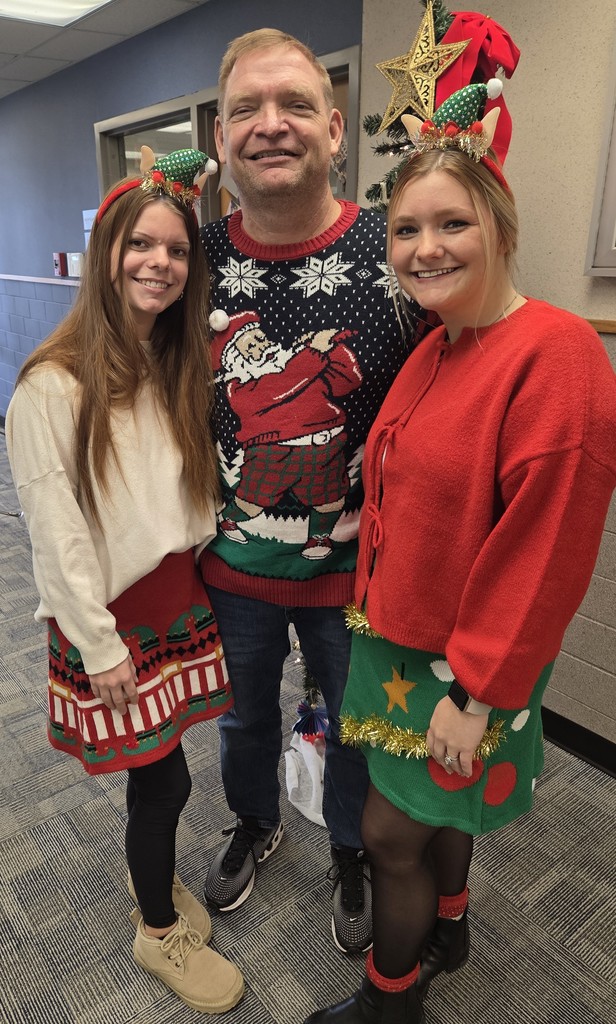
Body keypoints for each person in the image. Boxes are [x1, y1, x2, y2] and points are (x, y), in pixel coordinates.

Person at [304, 89, 616, 1021]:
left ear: (501, 225)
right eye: (404, 228)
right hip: (400, 633)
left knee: (387, 833)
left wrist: (479, 693)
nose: (424, 247)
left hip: (466, 661)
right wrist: (375, 519)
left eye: (452, 222)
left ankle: (390, 1003)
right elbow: (433, 475)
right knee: (430, 818)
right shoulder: (442, 344)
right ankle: (450, 923)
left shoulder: (555, 354)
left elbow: (547, 548)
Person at [200, 28, 432, 954]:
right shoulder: (194, 262)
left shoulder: (400, 248)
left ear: (337, 131)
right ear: (221, 139)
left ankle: (351, 847)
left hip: (363, 576)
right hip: (233, 566)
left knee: (358, 729)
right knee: (244, 717)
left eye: (294, 104)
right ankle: (256, 821)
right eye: (247, 109)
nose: (271, 126)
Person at [6, 148, 245, 1015]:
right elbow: (55, 534)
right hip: (112, 619)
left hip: (176, 597)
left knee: (169, 772)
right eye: (140, 244)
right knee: (167, 781)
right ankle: (154, 928)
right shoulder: (51, 385)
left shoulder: (169, 359)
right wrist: (97, 645)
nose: (159, 263)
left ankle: (154, 884)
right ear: (106, 251)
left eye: (177, 250)